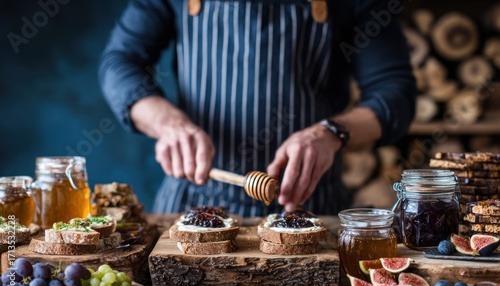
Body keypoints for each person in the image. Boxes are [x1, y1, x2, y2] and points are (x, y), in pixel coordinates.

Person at [99, 0, 415, 217]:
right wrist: (167, 123)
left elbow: (395, 93)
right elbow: (119, 63)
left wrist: (330, 133)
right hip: (193, 203)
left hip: (310, 206)